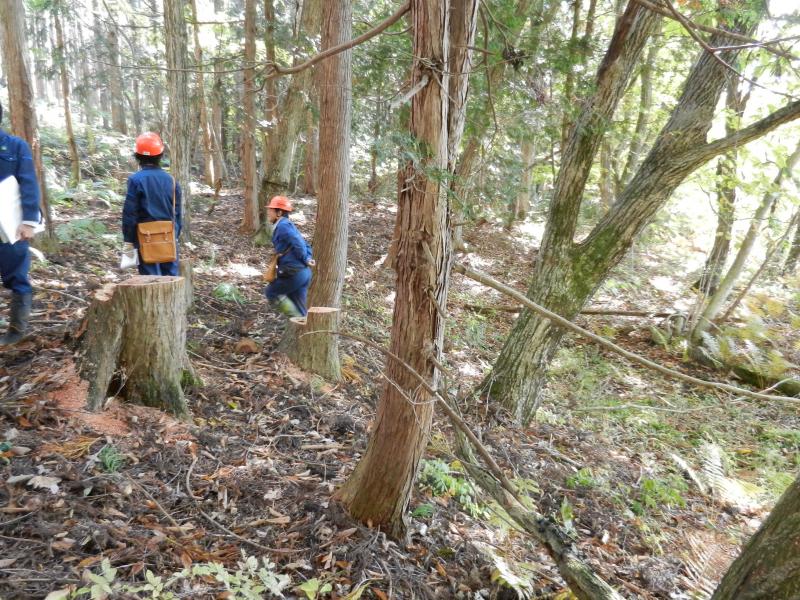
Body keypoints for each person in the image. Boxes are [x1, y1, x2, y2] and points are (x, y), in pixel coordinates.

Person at [0, 100, 41, 346]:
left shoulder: (15, 146)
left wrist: (29, 222)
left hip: (10, 229)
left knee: (18, 279)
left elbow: (29, 184)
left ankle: (16, 333)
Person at [122, 132, 182, 276]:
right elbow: (178, 213)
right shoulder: (171, 180)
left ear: (138, 156)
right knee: (171, 280)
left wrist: (128, 240)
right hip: (168, 237)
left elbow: (130, 214)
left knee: (150, 280)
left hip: (145, 238)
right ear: (160, 155)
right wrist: (176, 234)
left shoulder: (135, 180)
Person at [264, 195, 314, 317]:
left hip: (294, 274)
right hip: (303, 273)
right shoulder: (287, 224)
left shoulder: (283, 226)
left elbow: (298, 243)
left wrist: (305, 258)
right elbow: (305, 244)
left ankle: (297, 319)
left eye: (271, 210)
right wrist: (307, 258)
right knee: (301, 309)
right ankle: (302, 326)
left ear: (279, 213)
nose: (269, 213)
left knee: (270, 292)